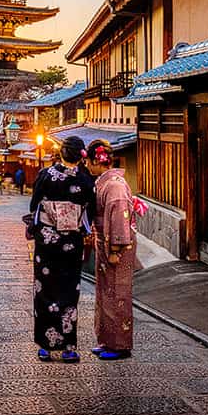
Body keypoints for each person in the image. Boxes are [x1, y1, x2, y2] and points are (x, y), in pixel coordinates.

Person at [29, 136, 95, 362]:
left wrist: (39, 226)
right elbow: (89, 212)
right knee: (68, 291)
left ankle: (45, 347)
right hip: (71, 243)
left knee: (44, 289)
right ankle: (69, 347)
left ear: (61, 153)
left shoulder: (45, 175)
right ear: (81, 156)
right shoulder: (86, 180)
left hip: (47, 242)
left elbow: (34, 205)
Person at [85, 139, 146, 360]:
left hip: (116, 246)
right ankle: (107, 340)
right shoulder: (105, 182)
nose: (87, 166)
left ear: (95, 160)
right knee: (105, 292)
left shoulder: (115, 186)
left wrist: (115, 249)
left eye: (88, 162)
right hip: (105, 241)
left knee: (118, 293)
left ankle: (119, 345)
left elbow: (120, 219)